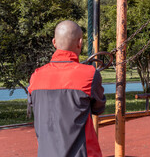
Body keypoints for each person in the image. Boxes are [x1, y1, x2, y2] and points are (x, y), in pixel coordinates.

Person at [28, 20, 106, 157]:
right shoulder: (89, 74)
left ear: (54, 42)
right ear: (80, 42)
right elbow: (98, 108)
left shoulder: (36, 76)